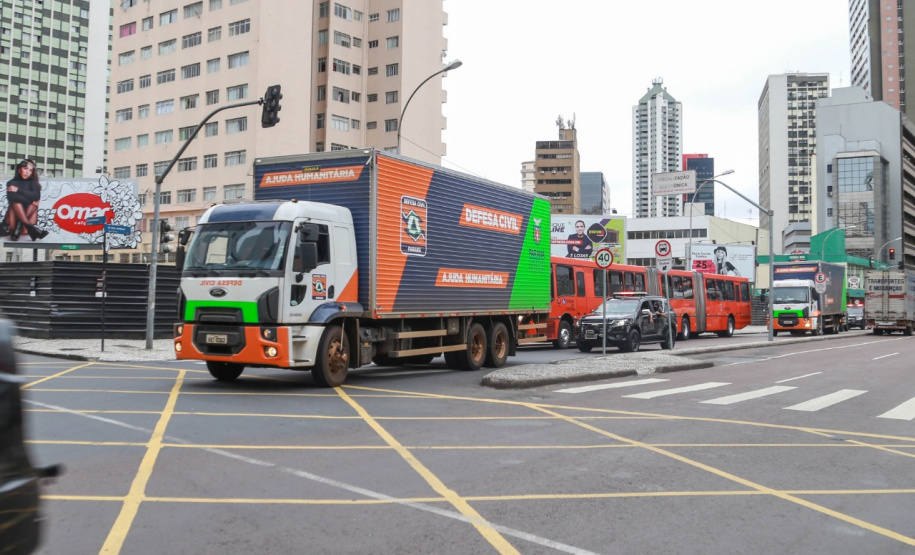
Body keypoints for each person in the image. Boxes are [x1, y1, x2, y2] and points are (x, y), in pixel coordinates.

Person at [1, 159, 48, 241]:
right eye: (25, 169)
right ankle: (31, 229)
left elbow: (36, 196)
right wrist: (30, 199)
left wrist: (18, 190)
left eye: (30, 170)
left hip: (22, 228)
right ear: (19, 169)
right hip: (11, 225)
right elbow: (12, 198)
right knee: (16, 203)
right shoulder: (11, 183)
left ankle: (22, 225)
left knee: (33, 204)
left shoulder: (33, 183)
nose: (27, 172)